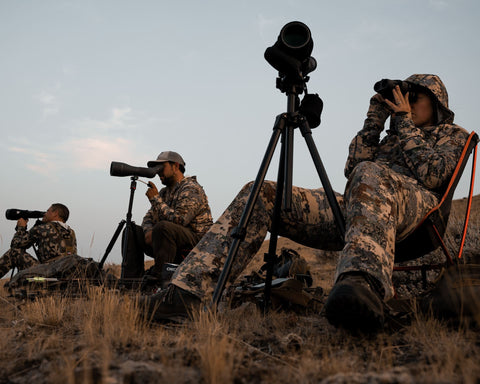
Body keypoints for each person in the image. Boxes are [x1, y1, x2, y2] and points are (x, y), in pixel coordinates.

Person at [143, 74, 469, 332]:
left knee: (372, 172)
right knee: (261, 191)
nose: (408, 102)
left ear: (437, 102)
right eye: (404, 96)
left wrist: (404, 123)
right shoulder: (390, 137)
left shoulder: (451, 133)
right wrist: (376, 121)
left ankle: (361, 287)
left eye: (415, 96)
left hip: (417, 209)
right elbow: (353, 171)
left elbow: (434, 175)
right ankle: (186, 293)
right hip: (362, 207)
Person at [122, 151, 213, 282]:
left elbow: (180, 220)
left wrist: (155, 199)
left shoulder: (191, 188)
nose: (158, 172)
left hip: (197, 241)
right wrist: (148, 232)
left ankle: (159, 280)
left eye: (161, 167)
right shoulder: (165, 192)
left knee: (163, 227)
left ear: (175, 166)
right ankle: (131, 282)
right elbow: (148, 218)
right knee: (131, 230)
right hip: (166, 239)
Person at [0, 203, 77, 279]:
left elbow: (16, 244)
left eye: (47, 211)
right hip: (68, 274)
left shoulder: (43, 228)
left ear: (55, 213)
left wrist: (21, 228)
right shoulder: (71, 232)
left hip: (49, 273)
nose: (45, 214)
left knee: (14, 252)